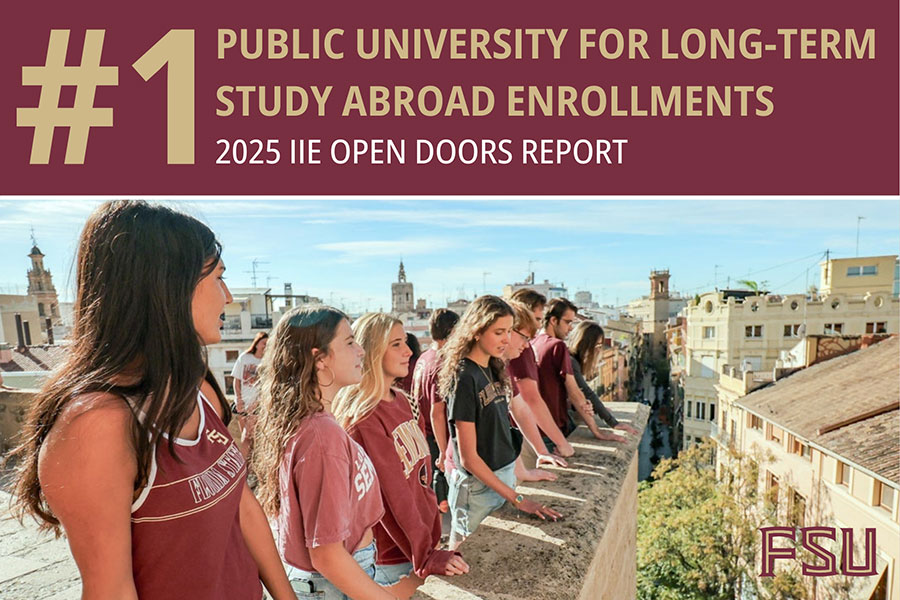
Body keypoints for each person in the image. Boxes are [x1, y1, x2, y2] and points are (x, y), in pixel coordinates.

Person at [7, 200, 292, 600]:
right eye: (217, 279)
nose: (226, 296)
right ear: (168, 287)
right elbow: (111, 589)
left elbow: (241, 505)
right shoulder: (97, 424)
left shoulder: (198, 388)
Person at [253, 306, 399, 600]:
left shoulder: (309, 422)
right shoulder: (322, 436)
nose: (361, 351)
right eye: (349, 342)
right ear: (319, 359)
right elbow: (327, 555)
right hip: (332, 584)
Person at [333, 313, 468, 594]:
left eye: (405, 341)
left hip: (418, 545)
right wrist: (425, 556)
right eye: (396, 344)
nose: (408, 351)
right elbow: (392, 495)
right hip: (391, 557)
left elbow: (419, 480)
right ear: (371, 351)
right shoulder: (364, 419)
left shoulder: (404, 402)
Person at [438, 295, 562, 549]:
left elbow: (499, 432)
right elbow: (469, 458)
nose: (506, 339)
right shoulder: (465, 378)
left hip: (499, 482)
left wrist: (519, 476)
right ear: (475, 331)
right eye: (498, 332)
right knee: (468, 556)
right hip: (478, 490)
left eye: (508, 331)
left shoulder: (493, 367)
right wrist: (518, 499)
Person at [503, 301, 567, 479]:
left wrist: (542, 452)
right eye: (525, 337)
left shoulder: (500, 369)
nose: (526, 345)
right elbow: (531, 400)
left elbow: (519, 408)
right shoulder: (476, 373)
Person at [531, 298, 606, 440]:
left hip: (537, 427)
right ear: (553, 320)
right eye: (567, 322)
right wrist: (597, 431)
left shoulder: (533, 342)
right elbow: (575, 392)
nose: (571, 328)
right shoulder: (557, 346)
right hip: (555, 428)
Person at [411, 308, 459, 512]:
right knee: (443, 499)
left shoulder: (424, 357)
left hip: (422, 433)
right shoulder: (440, 363)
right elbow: (437, 412)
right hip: (435, 436)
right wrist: (442, 451)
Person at [567, 321, 639, 438]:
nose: (598, 350)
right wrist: (613, 423)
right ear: (586, 344)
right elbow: (585, 391)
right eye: (597, 346)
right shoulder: (571, 361)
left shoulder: (572, 360)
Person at [231, 331, 268, 452]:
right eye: (263, 343)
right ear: (256, 343)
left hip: (256, 406)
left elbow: (266, 387)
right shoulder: (244, 358)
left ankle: (245, 467)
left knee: (247, 436)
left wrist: (256, 404)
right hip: (242, 405)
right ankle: (248, 466)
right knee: (246, 436)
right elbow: (237, 381)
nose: (265, 346)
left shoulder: (266, 363)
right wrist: (238, 400)